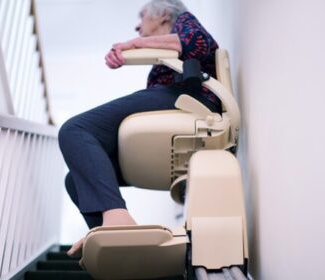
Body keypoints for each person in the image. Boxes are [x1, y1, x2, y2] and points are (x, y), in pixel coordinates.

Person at [58, 0, 220, 257]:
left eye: (142, 16)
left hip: (188, 98)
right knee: (75, 180)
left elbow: (197, 43)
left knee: (75, 130)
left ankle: (117, 220)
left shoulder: (183, 21)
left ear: (163, 14)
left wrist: (132, 45)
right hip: (175, 100)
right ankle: (117, 249)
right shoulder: (166, 47)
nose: (137, 26)